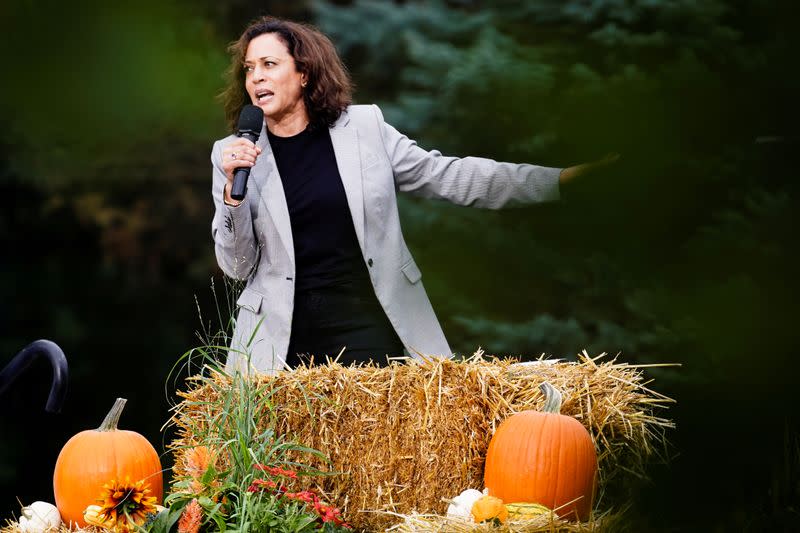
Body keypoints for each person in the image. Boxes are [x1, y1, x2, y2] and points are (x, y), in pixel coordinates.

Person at [211, 16, 616, 375]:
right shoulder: (233, 156)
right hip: (281, 340)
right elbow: (237, 266)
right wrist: (233, 196)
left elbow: (449, 176)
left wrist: (556, 181)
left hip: (365, 323)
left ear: (303, 73)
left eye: (269, 64)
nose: (256, 78)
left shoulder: (363, 130)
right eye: (249, 69)